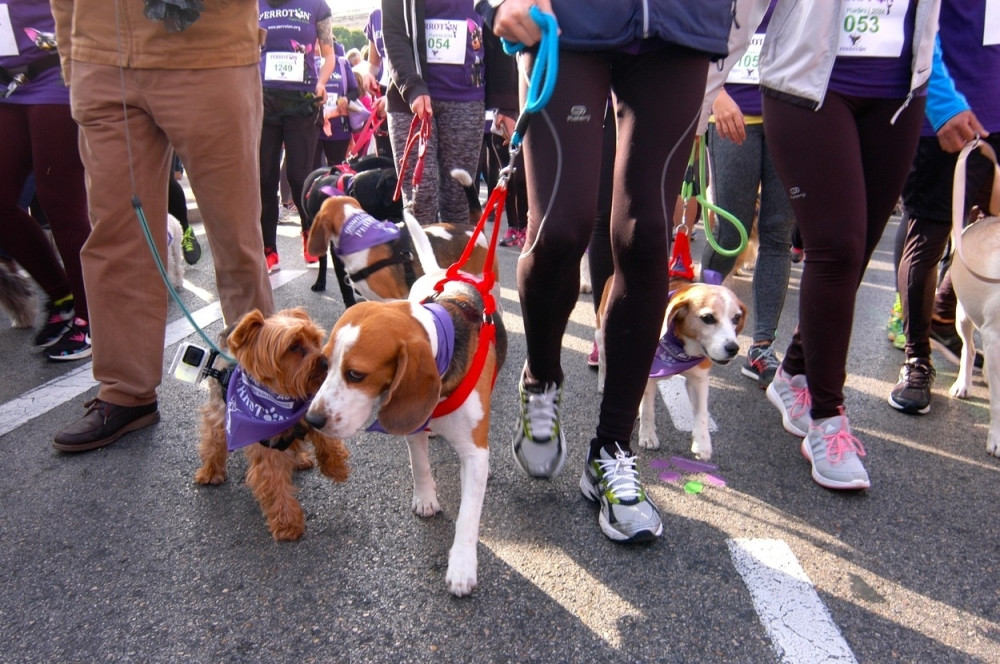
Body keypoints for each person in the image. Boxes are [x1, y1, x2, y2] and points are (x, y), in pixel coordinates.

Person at [482, 0, 735, 542]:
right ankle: (542, 378)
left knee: (646, 240)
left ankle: (611, 449)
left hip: (682, 25)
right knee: (562, 229)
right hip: (569, 17)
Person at [725, 0, 941, 490]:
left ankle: (794, 371)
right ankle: (827, 419)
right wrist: (708, 80)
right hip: (808, 85)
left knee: (857, 247)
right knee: (837, 247)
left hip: (900, 91)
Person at [50, 0, 275, 452]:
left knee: (235, 235)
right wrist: (73, 56)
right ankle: (126, 390)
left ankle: (266, 385)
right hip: (101, 53)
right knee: (116, 237)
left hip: (208, 50)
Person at [888, 1, 998, 416]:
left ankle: (944, 311)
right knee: (929, 237)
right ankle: (917, 359)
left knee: (988, 238)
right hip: (949, 113)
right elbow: (917, 23)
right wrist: (938, 99)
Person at [699, 0, 795, 390]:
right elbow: (697, 29)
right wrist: (715, 93)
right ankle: (698, 324)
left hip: (790, 111)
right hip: (731, 110)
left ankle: (762, 347)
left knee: (777, 234)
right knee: (730, 233)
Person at [1, 0, 92, 361]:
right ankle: (63, 296)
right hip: (8, 81)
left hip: (54, 69)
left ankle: (91, 318)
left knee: (61, 204)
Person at [383, 0, 487, 226]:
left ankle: (458, 261)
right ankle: (421, 261)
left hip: (466, 96)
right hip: (409, 100)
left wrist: (505, 103)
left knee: (459, 202)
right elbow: (393, 31)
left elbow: (497, 23)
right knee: (420, 201)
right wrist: (412, 86)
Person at [257, 0, 337, 272]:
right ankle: (268, 248)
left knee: (299, 176)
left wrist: (321, 82)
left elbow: (329, 55)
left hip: (302, 100)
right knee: (265, 176)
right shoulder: (255, 5)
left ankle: (308, 235)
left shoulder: (316, 5)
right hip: (263, 98)